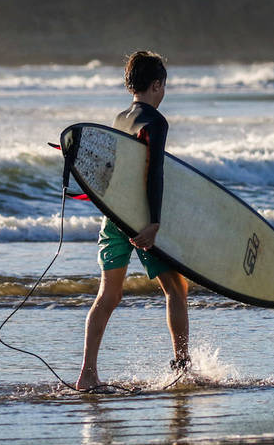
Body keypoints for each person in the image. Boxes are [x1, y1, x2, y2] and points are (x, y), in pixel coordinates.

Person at [76, 51, 190, 391]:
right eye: (163, 86)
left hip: (114, 216)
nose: (164, 92)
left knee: (107, 296)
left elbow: (111, 174)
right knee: (176, 289)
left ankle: (87, 374)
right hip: (141, 218)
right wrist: (153, 222)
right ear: (156, 85)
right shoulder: (156, 121)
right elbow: (153, 172)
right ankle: (182, 367)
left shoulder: (119, 118)